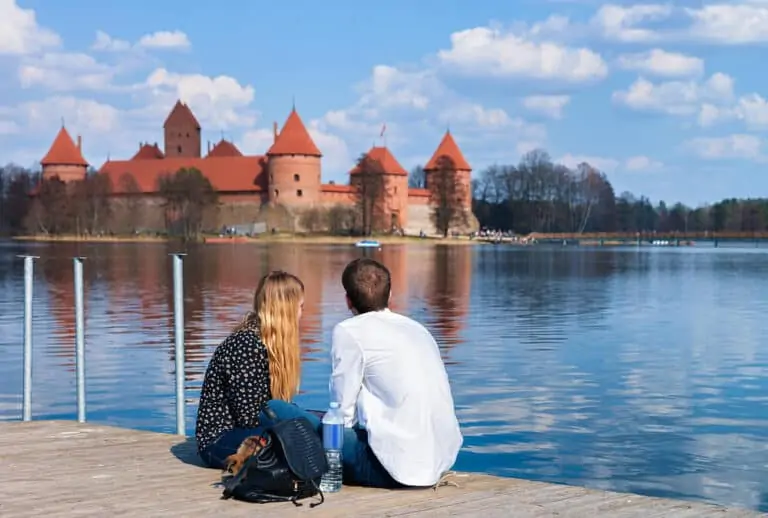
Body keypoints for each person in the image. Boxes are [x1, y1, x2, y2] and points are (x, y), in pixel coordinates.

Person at [330, 257, 463, 488]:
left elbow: (343, 414)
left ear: (347, 300)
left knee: (290, 418)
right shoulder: (418, 330)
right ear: (390, 296)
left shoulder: (349, 331)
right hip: (439, 460)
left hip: (394, 469)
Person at [195, 270, 305, 469]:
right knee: (300, 436)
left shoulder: (265, 344)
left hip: (253, 433)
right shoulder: (245, 345)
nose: (301, 314)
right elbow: (247, 417)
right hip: (219, 441)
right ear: (286, 309)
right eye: (300, 307)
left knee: (310, 425)